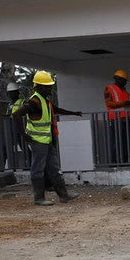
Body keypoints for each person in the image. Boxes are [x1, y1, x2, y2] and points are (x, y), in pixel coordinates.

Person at [13, 71, 82, 206]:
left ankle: (64, 196)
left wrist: (73, 113)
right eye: (46, 86)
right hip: (38, 142)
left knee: (54, 168)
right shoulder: (34, 101)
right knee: (38, 169)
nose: (49, 88)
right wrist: (24, 134)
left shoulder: (45, 100)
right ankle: (39, 198)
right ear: (38, 86)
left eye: (50, 86)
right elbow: (16, 115)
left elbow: (56, 109)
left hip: (47, 141)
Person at [103, 69, 130, 164]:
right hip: (115, 119)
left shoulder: (125, 91)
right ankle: (115, 162)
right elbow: (109, 103)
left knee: (126, 142)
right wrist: (124, 103)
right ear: (117, 78)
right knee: (116, 142)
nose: (125, 83)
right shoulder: (109, 89)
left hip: (126, 120)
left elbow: (126, 108)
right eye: (123, 80)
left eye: (125, 81)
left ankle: (124, 161)